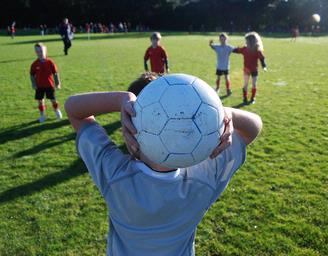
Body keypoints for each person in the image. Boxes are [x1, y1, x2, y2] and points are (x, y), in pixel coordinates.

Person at [65, 74, 263, 255]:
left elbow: (74, 109)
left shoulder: (114, 174)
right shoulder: (204, 178)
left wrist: (121, 99)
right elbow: (254, 126)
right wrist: (220, 113)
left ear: (131, 124)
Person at [30, 43, 62, 123]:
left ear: (45, 50)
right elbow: (32, 75)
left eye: (41, 50)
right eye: (37, 51)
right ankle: (42, 116)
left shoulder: (50, 62)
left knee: (53, 99)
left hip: (49, 85)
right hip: (39, 86)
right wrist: (33, 84)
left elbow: (55, 73)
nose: (40, 53)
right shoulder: (34, 64)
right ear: (35, 52)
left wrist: (57, 83)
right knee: (40, 101)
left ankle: (57, 112)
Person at [233, 32, 267, 104]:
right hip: (246, 70)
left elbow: (262, 59)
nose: (246, 42)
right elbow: (237, 50)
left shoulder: (257, 50)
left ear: (252, 41)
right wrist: (230, 49)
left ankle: (253, 98)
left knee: (254, 84)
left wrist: (264, 66)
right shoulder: (245, 49)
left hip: (254, 70)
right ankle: (244, 98)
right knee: (245, 84)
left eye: (247, 41)